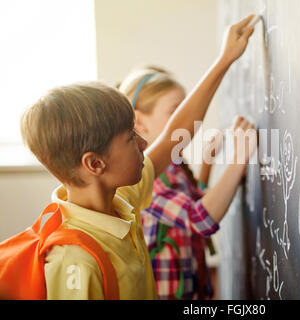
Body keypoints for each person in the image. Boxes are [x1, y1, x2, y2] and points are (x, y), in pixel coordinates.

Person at [18, 14, 256, 299]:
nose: (144, 143)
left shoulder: (122, 196)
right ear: (95, 164)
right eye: (131, 137)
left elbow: (173, 135)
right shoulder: (75, 262)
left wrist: (224, 60)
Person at [119, 66, 256, 299]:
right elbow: (199, 218)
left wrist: (207, 162)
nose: (189, 122)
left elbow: (193, 201)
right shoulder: (143, 176)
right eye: (176, 112)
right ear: (139, 122)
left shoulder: (174, 165)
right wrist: (238, 161)